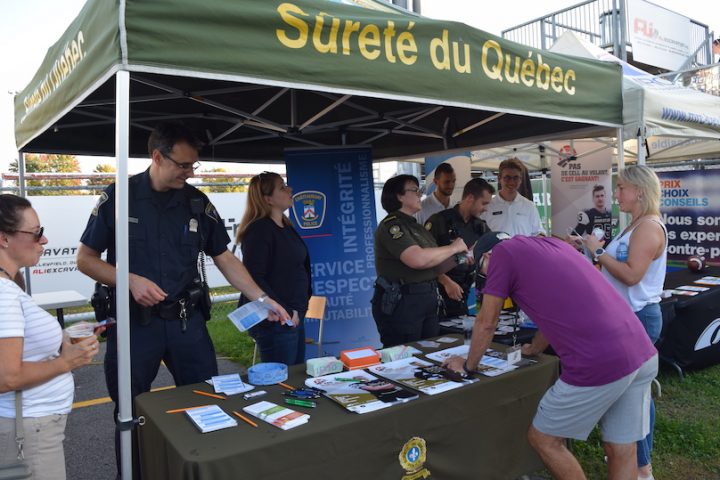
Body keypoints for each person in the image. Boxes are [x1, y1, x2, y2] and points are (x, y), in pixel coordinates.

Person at [76, 122, 289, 473]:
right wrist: (128, 280)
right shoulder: (118, 197)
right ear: (157, 156)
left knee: (207, 401)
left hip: (186, 323)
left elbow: (224, 258)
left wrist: (262, 298)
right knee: (129, 411)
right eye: (183, 165)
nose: (190, 173)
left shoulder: (196, 202)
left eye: (194, 165)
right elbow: (85, 259)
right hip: (134, 327)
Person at [445, 232, 658, 480]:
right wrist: (535, 347)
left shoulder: (502, 254)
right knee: (622, 446)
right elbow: (557, 307)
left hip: (598, 360)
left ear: (489, 255)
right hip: (640, 349)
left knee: (544, 439)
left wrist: (468, 365)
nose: (487, 275)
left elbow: (486, 322)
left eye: (483, 267)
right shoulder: (551, 244)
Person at [0, 194, 100, 480]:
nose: (43, 240)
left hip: (31, 426)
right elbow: (6, 377)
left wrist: (63, 336)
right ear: (4, 239)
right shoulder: (4, 293)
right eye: (36, 233)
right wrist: (66, 362)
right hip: (30, 431)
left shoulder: (8, 285)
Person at [584, 165, 666, 480]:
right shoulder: (635, 223)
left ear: (639, 191)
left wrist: (599, 251)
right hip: (627, 318)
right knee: (635, 394)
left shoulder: (647, 226)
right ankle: (636, 460)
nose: (616, 193)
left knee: (634, 396)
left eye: (621, 188)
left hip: (638, 319)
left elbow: (632, 275)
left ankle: (641, 466)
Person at [373, 175, 469, 347]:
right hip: (403, 303)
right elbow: (417, 260)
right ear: (399, 196)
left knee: (429, 355)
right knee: (405, 359)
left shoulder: (417, 227)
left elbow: (435, 266)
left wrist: (464, 256)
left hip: (427, 299)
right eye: (415, 190)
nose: (420, 195)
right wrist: (453, 248)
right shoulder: (392, 226)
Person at [235, 172, 309, 365]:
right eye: (282, 187)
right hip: (276, 319)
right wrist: (283, 309)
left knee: (295, 378)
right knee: (282, 383)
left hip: (292, 316)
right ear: (268, 199)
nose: (290, 190)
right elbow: (253, 277)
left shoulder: (286, 225)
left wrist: (298, 309)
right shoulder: (259, 231)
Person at [424, 178, 494, 318]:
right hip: (436, 296)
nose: (486, 208)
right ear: (470, 198)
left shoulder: (481, 227)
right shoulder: (439, 221)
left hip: (463, 294)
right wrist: (445, 281)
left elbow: (487, 256)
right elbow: (424, 261)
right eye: (484, 203)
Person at [481, 158, 546, 237]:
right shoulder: (488, 206)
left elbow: (538, 232)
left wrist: (541, 237)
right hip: (496, 250)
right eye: (507, 177)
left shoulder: (529, 206)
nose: (511, 182)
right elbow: (480, 235)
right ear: (499, 179)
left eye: (515, 178)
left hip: (522, 249)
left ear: (521, 180)